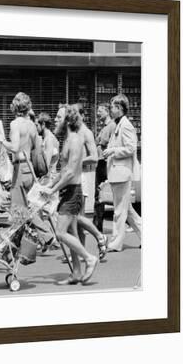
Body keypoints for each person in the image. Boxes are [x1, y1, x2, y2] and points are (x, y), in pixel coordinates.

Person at [42, 105, 99, 284]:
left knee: (60, 233)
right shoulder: (67, 139)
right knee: (71, 233)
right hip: (68, 191)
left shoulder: (75, 140)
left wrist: (52, 190)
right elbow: (63, 170)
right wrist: (49, 185)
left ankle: (89, 259)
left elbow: (70, 172)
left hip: (73, 192)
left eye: (59, 117)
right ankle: (76, 272)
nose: (56, 120)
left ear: (67, 120)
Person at [103, 94, 142, 252]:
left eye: (112, 107)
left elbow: (131, 148)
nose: (110, 110)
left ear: (119, 108)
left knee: (119, 211)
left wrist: (113, 151)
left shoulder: (125, 125)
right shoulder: (118, 124)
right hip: (117, 173)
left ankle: (116, 243)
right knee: (128, 210)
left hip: (121, 173)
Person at [74, 104, 108, 259]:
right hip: (76, 176)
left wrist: (77, 161)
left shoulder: (86, 132)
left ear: (81, 115)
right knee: (76, 217)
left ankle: (99, 236)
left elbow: (94, 157)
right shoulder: (75, 132)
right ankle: (81, 250)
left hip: (84, 177)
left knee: (76, 216)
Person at [0, 92, 38, 208]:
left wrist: (2, 141)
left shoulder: (15, 124)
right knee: (28, 207)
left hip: (19, 167)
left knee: (18, 210)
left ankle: (43, 227)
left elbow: (15, 148)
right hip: (29, 167)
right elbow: (35, 146)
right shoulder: (32, 125)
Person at [93, 104, 116, 232]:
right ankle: (97, 223)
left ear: (107, 112)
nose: (97, 113)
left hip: (104, 162)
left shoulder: (110, 126)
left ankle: (98, 224)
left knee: (101, 193)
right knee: (99, 193)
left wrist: (97, 142)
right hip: (101, 161)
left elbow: (101, 142)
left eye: (100, 111)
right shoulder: (105, 127)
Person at [36, 112, 59, 176]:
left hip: (49, 177)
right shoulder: (46, 138)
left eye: (37, 125)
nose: (36, 128)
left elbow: (46, 164)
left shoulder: (49, 139)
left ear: (43, 124)